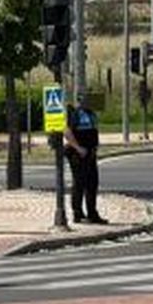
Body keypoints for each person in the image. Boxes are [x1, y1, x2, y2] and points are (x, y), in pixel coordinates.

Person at [63, 92, 105, 223]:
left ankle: (92, 213)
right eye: (85, 100)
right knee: (79, 183)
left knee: (92, 183)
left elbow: (94, 130)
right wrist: (78, 148)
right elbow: (67, 132)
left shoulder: (91, 114)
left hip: (90, 153)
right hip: (78, 153)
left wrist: (94, 148)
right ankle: (77, 213)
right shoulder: (75, 114)